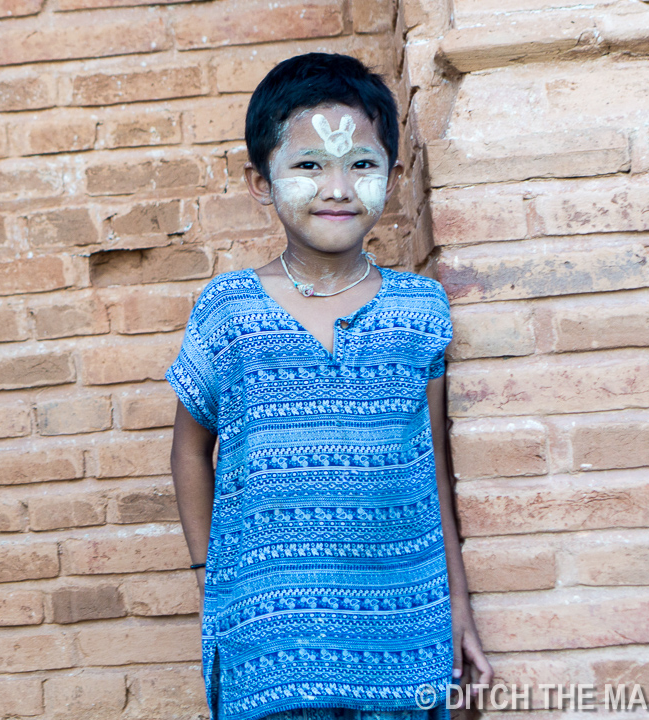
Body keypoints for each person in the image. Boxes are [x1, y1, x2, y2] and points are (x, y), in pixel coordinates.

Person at [165, 53, 493, 720]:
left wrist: (458, 606)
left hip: (403, 626)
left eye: (361, 165)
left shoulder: (419, 309)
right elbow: (188, 451)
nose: (337, 187)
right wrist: (213, 578)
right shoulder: (229, 311)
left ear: (394, 178)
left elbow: (433, 469)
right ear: (261, 182)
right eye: (309, 165)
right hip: (270, 635)